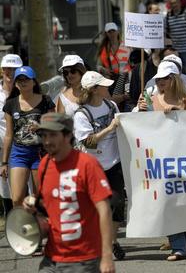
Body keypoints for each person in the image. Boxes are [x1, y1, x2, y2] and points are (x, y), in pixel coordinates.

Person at [24, 113, 115, 273]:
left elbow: (104, 210)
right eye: (43, 135)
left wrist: (107, 256)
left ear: (67, 136)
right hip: (52, 258)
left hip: (85, 260)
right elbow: (48, 206)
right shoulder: (44, 165)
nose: (47, 141)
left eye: (53, 135)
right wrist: (33, 205)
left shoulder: (87, 164)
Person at [136, 62, 186, 260]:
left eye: (164, 78)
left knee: (185, 201)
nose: (160, 82)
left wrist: (177, 112)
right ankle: (178, 246)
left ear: (174, 79)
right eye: (158, 79)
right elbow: (140, 125)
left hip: (185, 158)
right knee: (167, 202)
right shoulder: (151, 98)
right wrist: (140, 110)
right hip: (160, 160)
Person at [74, 71, 127, 261]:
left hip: (114, 162)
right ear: (95, 90)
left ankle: (112, 242)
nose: (108, 87)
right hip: (93, 166)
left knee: (118, 203)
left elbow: (123, 124)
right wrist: (109, 128)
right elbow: (88, 142)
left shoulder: (111, 105)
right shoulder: (82, 114)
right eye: (104, 85)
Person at [0, 66, 55, 207]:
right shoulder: (10, 104)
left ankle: (41, 226)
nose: (22, 82)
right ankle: (22, 227)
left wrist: (41, 127)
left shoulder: (46, 101)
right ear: (15, 83)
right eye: (19, 80)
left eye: (26, 79)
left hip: (41, 153)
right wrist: (4, 163)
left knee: (39, 198)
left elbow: (56, 126)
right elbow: (8, 135)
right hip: (19, 153)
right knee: (17, 198)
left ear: (34, 82)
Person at [0, 54, 22, 218]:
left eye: (13, 69)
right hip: (1, 148)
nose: (9, 72)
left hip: (23, 148)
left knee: (23, 186)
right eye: (6, 68)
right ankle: (10, 217)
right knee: (4, 186)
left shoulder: (25, 91)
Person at [96, 23, 130, 106]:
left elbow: (132, 62)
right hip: (111, 80)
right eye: (109, 31)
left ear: (117, 32)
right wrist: (104, 70)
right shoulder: (104, 48)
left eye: (113, 31)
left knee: (127, 99)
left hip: (126, 78)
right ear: (106, 34)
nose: (112, 33)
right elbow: (98, 66)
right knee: (114, 102)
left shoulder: (126, 46)